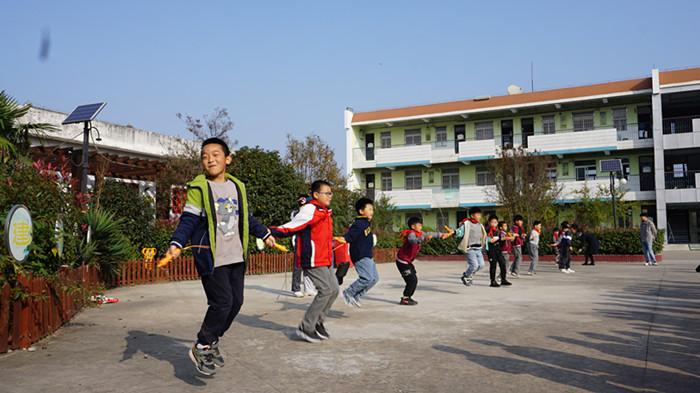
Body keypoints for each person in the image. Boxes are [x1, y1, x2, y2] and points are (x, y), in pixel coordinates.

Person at [166, 137, 275, 376]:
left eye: (215, 154)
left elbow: (246, 217)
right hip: (211, 257)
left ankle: (212, 340)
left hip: (236, 256)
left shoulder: (237, 187)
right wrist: (176, 243)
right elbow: (189, 219)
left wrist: (264, 233)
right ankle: (202, 344)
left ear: (228, 159)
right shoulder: (200, 188)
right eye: (204, 156)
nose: (209, 159)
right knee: (222, 302)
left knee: (236, 303)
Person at [270, 180, 338, 343]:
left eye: (331, 193)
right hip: (313, 258)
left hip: (325, 258)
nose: (330, 196)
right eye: (326, 193)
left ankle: (317, 322)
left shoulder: (325, 211)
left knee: (334, 289)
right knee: (326, 290)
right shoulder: (310, 209)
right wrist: (269, 231)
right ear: (316, 195)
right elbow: (292, 226)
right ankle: (306, 327)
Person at [396, 217, 453, 305]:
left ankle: (407, 297)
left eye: (421, 225)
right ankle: (405, 298)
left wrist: (443, 234)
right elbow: (412, 240)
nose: (421, 226)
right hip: (402, 261)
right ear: (413, 226)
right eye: (419, 225)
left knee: (413, 279)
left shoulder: (420, 233)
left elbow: (431, 234)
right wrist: (423, 239)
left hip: (408, 261)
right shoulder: (411, 233)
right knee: (412, 280)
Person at [336, 198, 378, 307]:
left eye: (372, 209)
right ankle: (348, 292)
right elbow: (350, 235)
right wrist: (343, 239)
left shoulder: (366, 223)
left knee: (374, 279)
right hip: (360, 255)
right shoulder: (359, 223)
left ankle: (356, 296)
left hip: (368, 254)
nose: (371, 212)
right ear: (361, 211)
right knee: (367, 278)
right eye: (369, 209)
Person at [290, 195, 317, 298]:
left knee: (309, 264)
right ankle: (296, 288)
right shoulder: (296, 213)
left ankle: (309, 288)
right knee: (298, 265)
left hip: (310, 240)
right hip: (299, 240)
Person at [456, 206, 486, 287]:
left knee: (481, 265)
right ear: (472, 215)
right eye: (478, 214)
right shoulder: (467, 223)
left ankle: (468, 275)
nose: (479, 216)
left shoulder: (480, 225)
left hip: (478, 248)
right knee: (474, 265)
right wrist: (454, 232)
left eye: (480, 215)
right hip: (470, 248)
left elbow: (483, 235)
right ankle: (466, 276)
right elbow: (459, 232)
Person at [485, 216, 513, 288]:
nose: (494, 224)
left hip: (498, 249)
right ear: (489, 223)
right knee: (493, 265)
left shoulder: (497, 231)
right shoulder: (487, 230)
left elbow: (500, 239)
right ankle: (493, 281)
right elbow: (489, 240)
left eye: (495, 222)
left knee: (503, 263)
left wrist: (504, 238)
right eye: (492, 222)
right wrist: (494, 239)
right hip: (491, 250)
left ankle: (503, 279)